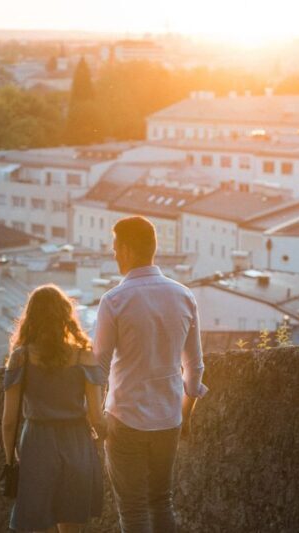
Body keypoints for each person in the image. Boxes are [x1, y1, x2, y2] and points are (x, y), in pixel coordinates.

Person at [94, 216, 209, 533]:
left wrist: (96, 417)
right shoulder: (183, 295)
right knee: (162, 501)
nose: (114, 254)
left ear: (127, 250)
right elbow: (195, 366)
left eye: (115, 248)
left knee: (133, 510)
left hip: (125, 416)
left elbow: (98, 367)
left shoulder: (114, 301)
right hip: (168, 417)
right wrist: (185, 413)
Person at [1, 284, 107, 533]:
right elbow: (97, 417)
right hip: (77, 442)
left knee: (39, 523)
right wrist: (98, 444)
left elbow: (9, 421)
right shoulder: (83, 356)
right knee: (71, 524)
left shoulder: (20, 358)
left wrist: (10, 458)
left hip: (37, 443)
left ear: (31, 317)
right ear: (66, 315)